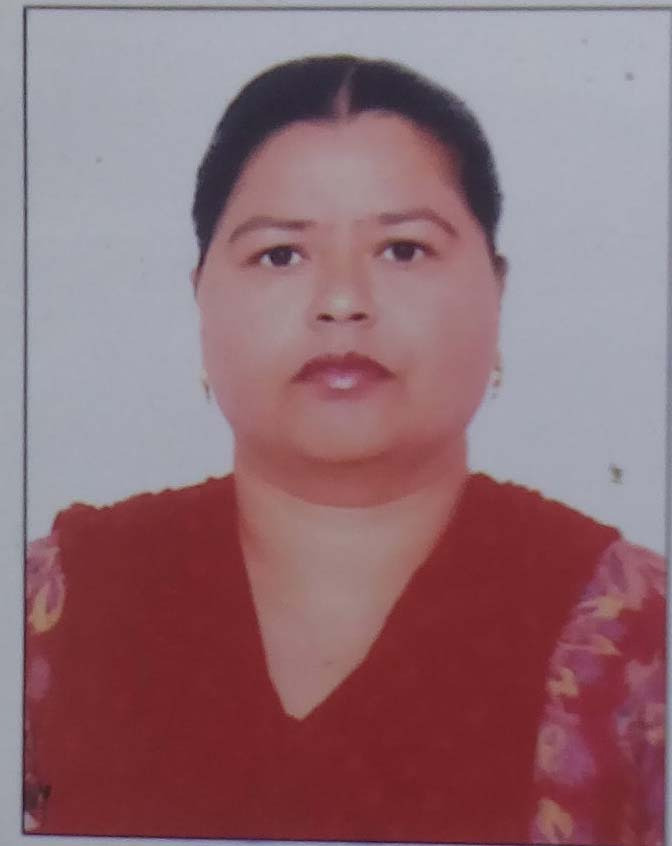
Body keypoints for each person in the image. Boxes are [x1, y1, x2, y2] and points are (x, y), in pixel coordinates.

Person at [24, 55, 665, 845]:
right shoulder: (51, 609)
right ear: (201, 298)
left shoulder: (636, 634)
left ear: (497, 291)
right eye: (280, 255)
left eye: (403, 250)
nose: (341, 301)